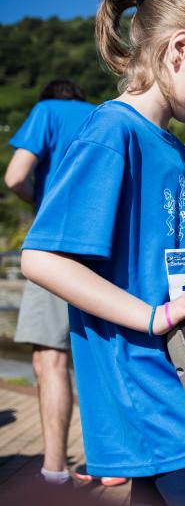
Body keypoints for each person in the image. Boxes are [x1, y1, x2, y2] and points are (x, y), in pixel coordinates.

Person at [20, 0, 185, 505]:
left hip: (179, 377)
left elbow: (165, 275)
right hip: (148, 387)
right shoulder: (112, 133)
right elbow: (42, 259)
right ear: (180, 48)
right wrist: (154, 319)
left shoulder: (172, 150)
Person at [4, 79, 100, 486]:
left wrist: (37, 201)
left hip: (58, 243)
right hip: (102, 245)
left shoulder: (46, 112)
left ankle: (55, 472)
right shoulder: (102, 115)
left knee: (51, 360)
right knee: (97, 356)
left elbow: (15, 177)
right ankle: (110, 464)